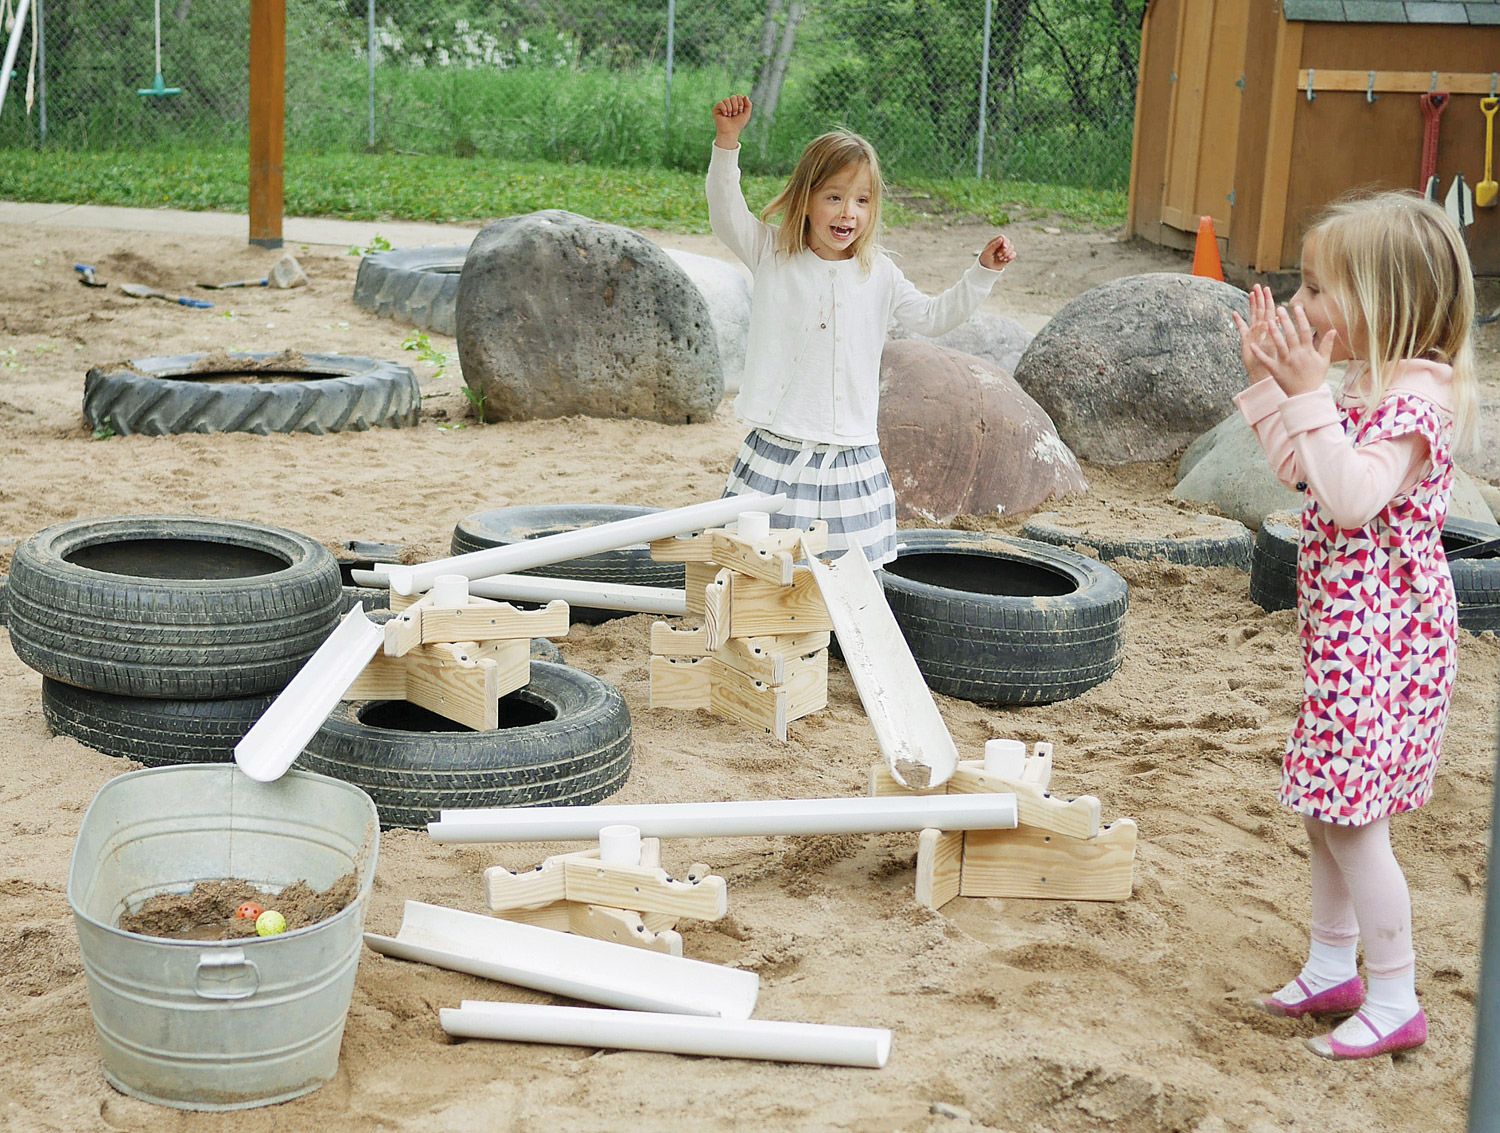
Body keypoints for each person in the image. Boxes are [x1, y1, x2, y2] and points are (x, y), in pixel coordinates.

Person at [1232, 190, 1477, 1061]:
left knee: (1355, 821)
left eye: (1320, 290)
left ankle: (1396, 991)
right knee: (1325, 809)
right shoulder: (1372, 387)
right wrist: (1274, 383)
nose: (1300, 308)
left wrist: (1306, 391)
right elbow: (1307, 469)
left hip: (1385, 648)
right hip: (1346, 638)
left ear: (1388, 301)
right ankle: (1335, 962)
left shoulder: (1416, 408)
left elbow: (1351, 493)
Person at [706, 93, 1016, 566]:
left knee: (849, 570)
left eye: (861, 201)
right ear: (806, 198)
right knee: (761, 565)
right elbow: (726, 212)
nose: (847, 213)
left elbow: (935, 318)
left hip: (849, 454)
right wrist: (728, 142)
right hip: (780, 449)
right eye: (834, 197)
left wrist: (981, 273)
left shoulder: (880, 274)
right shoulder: (772, 254)